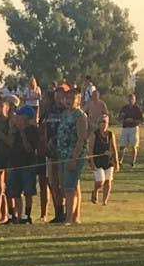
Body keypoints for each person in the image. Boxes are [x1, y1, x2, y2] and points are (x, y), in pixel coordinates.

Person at [55, 86, 89, 225]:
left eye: (72, 99)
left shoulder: (80, 116)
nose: (69, 101)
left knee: (69, 188)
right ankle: (75, 216)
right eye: (67, 98)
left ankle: (68, 218)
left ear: (78, 100)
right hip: (63, 154)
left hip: (74, 155)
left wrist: (74, 158)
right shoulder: (64, 114)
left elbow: (81, 138)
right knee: (69, 186)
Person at [5, 105, 40, 223]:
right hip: (14, 163)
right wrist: (12, 131)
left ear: (26, 117)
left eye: (20, 116)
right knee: (15, 191)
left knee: (28, 191)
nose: (17, 118)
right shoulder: (15, 130)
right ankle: (18, 215)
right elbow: (9, 143)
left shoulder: (33, 130)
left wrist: (22, 133)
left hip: (28, 164)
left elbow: (29, 148)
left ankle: (27, 215)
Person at [42, 84, 69, 223]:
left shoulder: (68, 111)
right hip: (51, 151)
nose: (59, 98)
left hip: (63, 151)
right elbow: (44, 127)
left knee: (63, 183)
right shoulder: (49, 111)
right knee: (53, 182)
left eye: (62, 95)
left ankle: (66, 212)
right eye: (57, 95)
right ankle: (58, 212)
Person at [88, 114, 120, 206]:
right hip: (98, 161)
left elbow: (114, 148)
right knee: (101, 181)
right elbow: (90, 149)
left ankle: (104, 201)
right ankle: (95, 191)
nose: (103, 124)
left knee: (108, 181)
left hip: (108, 161)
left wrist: (116, 161)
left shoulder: (110, 135)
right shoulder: (94, 135)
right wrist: (92, 162)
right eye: (101, 122)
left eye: (105, 122)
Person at [118, 93, 144, 168]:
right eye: (129, 99)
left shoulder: (137, 109)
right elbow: (120, 119)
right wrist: (123, 119)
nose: (130, 100)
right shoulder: (124, 108)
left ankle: (132, 162)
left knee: (134, 146)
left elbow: (141, 121)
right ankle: (120, 161)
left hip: (133, 128)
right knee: (122, 146)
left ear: (134, 100)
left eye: (132, 99)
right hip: (125, 128)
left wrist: (133, 121)